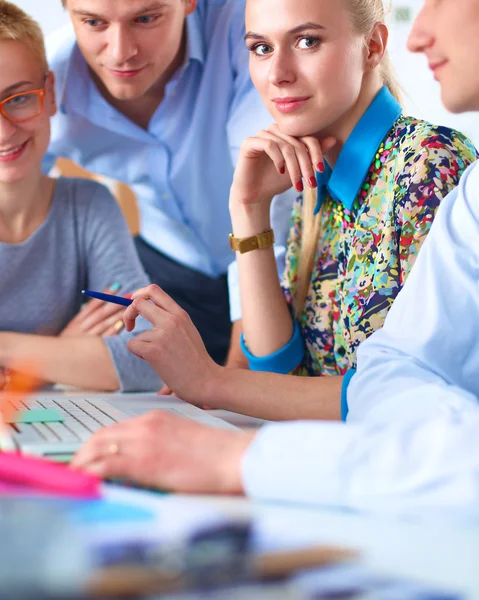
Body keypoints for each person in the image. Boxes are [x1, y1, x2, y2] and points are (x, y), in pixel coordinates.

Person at [72, 0, 479, 512]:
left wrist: (212, 381)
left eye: (307, 41)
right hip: (336, 477)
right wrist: (248, 210)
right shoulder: (315, 170)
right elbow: (282, 370)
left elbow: (404, 398)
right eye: (261, 49)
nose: (278, 74)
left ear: (373, 45)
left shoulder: (425, 167)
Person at [44, 0, 293, 370]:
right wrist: (51, 344)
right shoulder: (48, 80)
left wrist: (235, 378)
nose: (121, 52)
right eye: (93, 22)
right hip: (165, 270)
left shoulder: (250, 29)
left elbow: (268, 186)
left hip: (272, 258)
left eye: (146, 18)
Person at [0, 1, 161, 393]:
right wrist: (62, 353)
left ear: (50, 94)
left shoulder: (88, 206)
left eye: (18, 99)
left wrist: (9, 353)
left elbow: (148, 354)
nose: (5, 132)